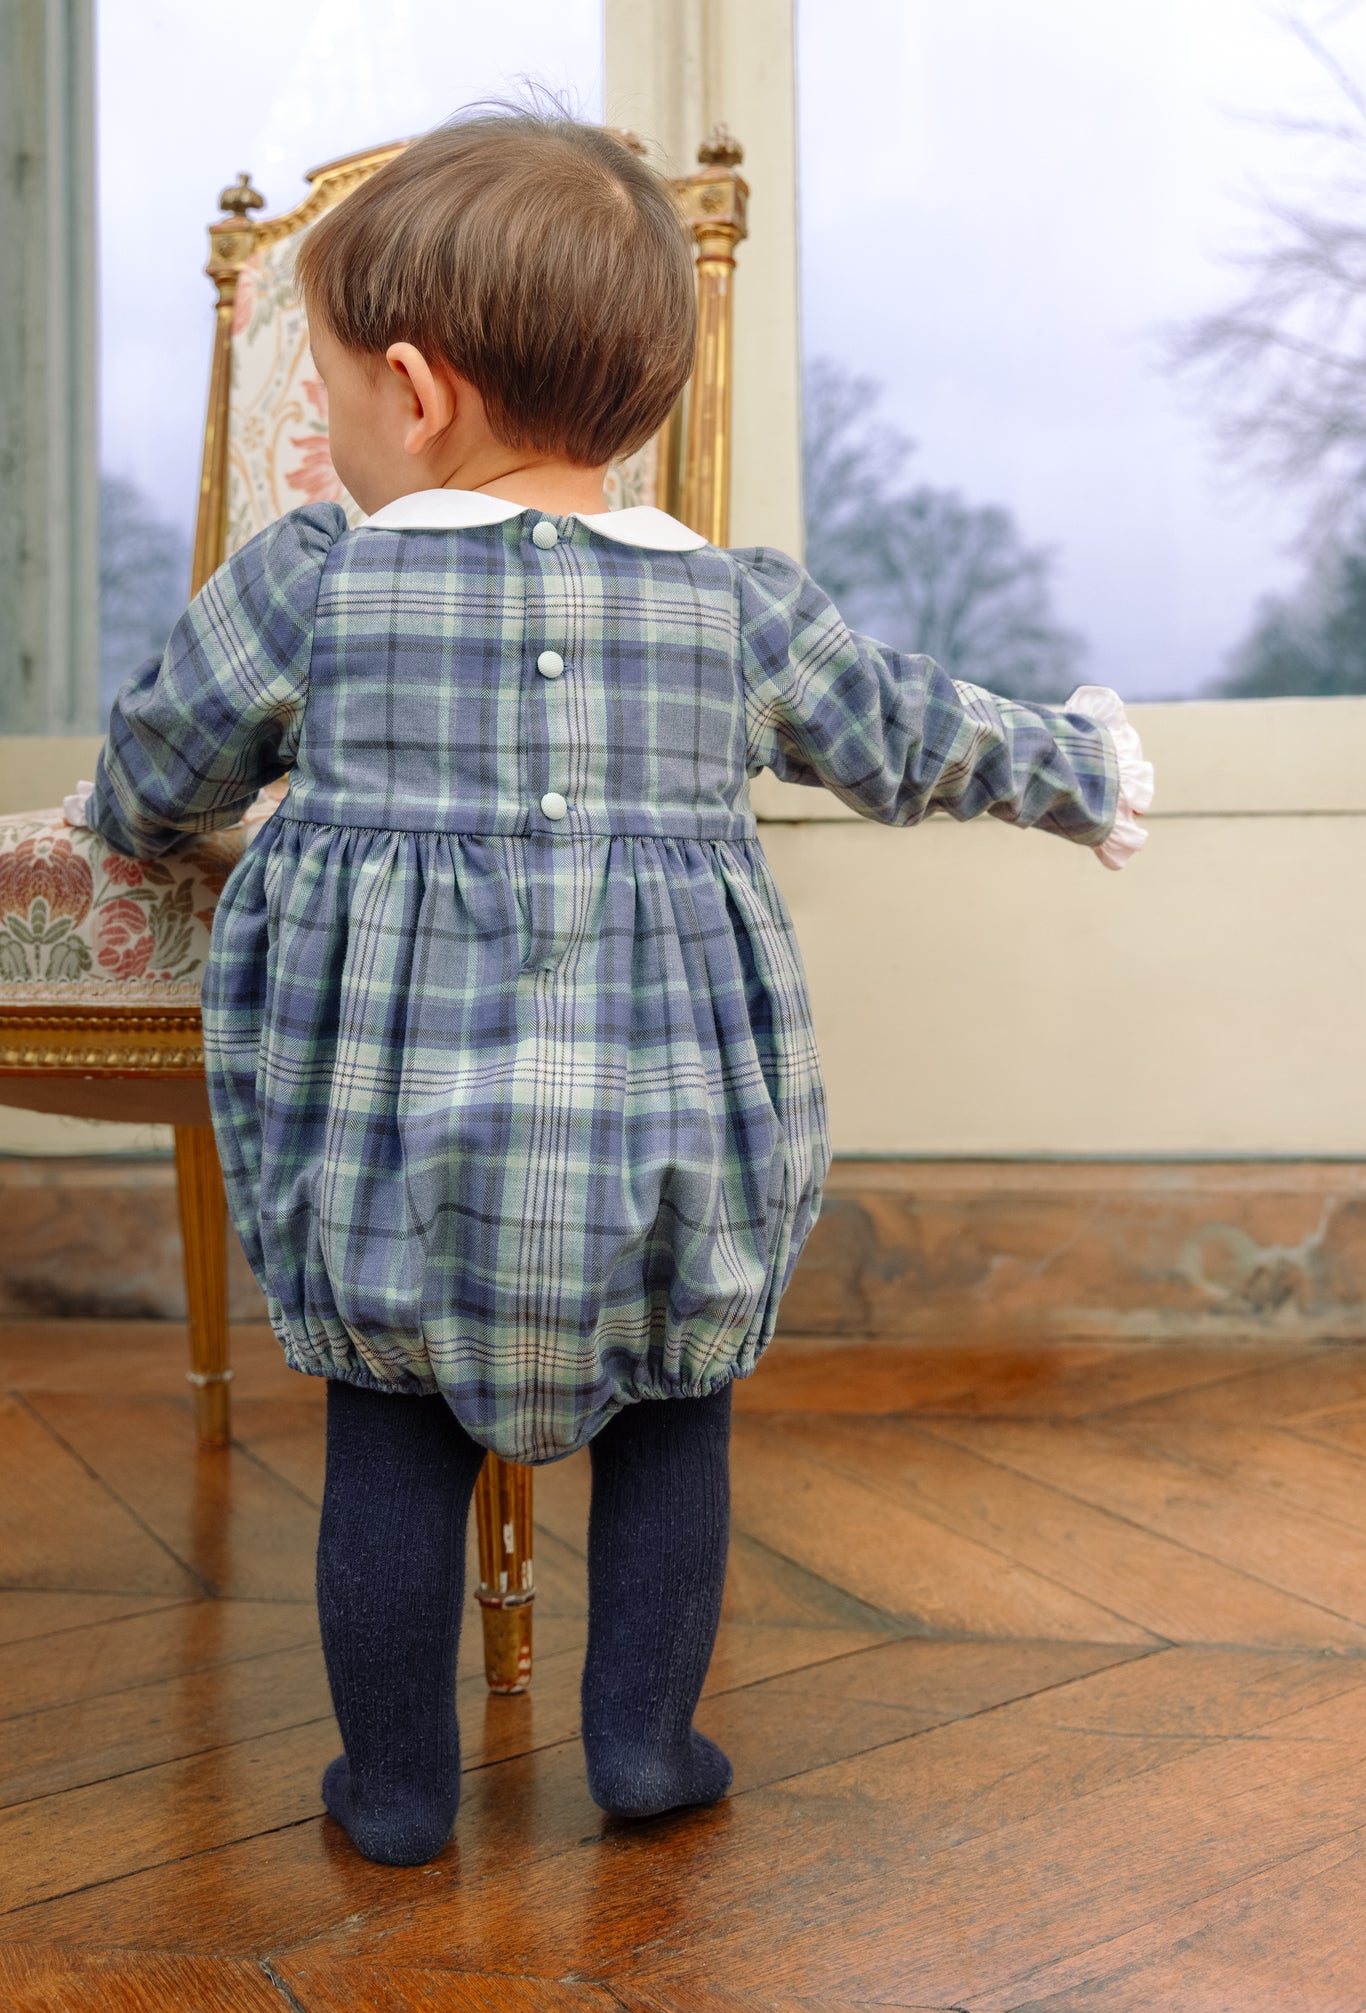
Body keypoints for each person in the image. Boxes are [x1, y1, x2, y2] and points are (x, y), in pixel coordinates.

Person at [70, 110, 1153, 1867]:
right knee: (674, 1410)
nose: (333, 427)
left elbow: (156, 766)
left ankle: (400, 1792)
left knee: (391, 1424)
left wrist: (148, 818)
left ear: (411, 393)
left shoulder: (317, 585)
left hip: (395, 1137)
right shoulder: (737, 607)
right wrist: (1080, 771)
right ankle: (645, 1748)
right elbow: (913, 733)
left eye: (336, 392)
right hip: (666, 1131)